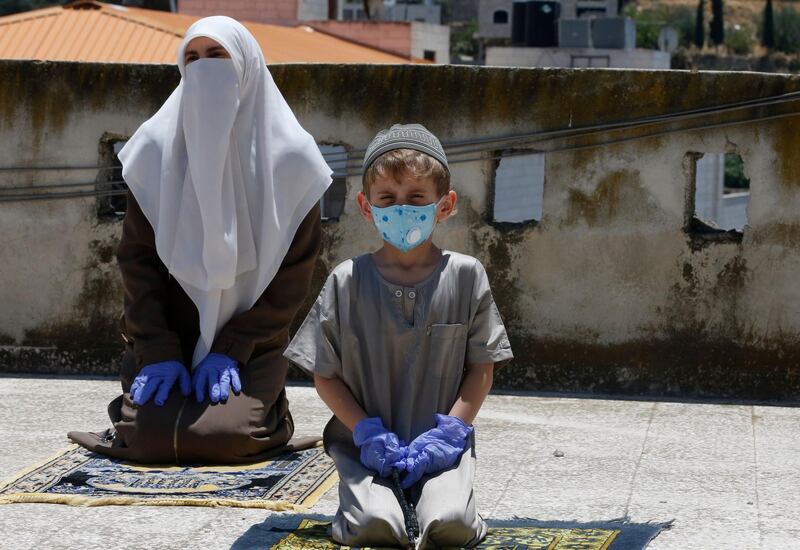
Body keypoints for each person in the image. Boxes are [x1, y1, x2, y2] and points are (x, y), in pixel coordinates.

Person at [68, 16, 332, 464]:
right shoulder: (153, 150)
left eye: (217, 56)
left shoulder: (294, 161)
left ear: (246, 64)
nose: (203, 68)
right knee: (153, 440)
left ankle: (274, 416)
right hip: (165, 336)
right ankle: (143, 401)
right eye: (192, 57)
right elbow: (137, 263)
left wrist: (234, 347)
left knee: (225, 439)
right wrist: (158, 350)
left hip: (249, 346)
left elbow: (295, 275)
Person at [284, 124, 514, 548]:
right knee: (376, 527)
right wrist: (366, 432)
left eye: (416, 199)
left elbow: (482, 368)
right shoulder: (346, 281)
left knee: (451, 527)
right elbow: (325, 375)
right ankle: (361, 505)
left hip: (439, 448)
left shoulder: (467, 276)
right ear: (366, 206)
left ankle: (447, 498)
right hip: (366, 447)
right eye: (387, 199)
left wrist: (450, 434)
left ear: (444, 206)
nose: (401, 209)